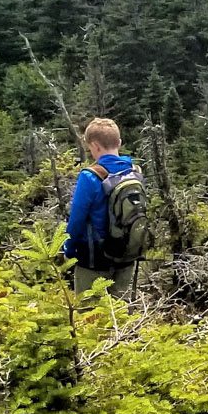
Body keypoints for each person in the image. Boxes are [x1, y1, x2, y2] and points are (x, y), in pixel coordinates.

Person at [63, 118, 143, 297]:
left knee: (89, 314)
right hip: (126, 256)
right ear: (119, 143)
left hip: (93, 259)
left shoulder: (89, 176)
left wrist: (68, 250)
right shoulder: (135, 172)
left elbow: (77, 220)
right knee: (120, 315)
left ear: (95, 146)